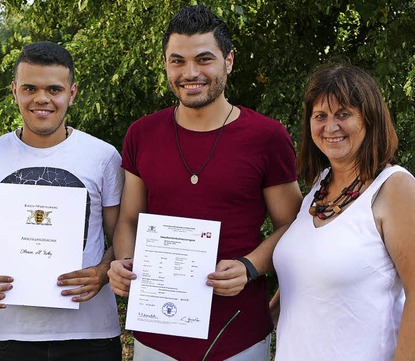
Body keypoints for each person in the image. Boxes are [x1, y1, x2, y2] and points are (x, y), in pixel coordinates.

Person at [107, 5, 302, 361]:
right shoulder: (142, 134)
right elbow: (129, 219)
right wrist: (125, 261)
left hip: (238, 333)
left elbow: (292, 225)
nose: (190, 72)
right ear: (165, 62)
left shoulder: (267, 137)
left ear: (228, 60)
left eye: (204, 59)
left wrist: (250, 265)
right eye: (177, 60)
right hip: (156, 331)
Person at [0, 41, 124, 361]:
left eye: (54, 89)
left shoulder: (103, 157)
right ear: (14, 91)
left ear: (72, 93)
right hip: (16, 333)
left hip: (92, 331)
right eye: (30, 88)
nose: (42, 99)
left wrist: (103, 271)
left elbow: (122, 234)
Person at [272, 63, 415, 360]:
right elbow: (304, 279)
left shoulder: (395, 188)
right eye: (320, 116)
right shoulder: (319, 186)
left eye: (343, 114)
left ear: (369, 119)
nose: (330, 127)